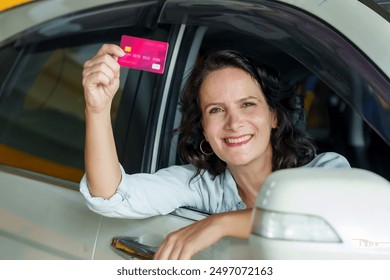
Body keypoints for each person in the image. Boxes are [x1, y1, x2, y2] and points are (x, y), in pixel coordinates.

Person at [80, 44, 350, 260]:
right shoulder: (202, 185)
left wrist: (218, 224)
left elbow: (323, 216)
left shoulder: (326, 170)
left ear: (274, 116)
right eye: (216, 110)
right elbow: (110, 194)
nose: (234, 123)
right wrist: (97, 109)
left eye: (247, 104)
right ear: (204, 128)